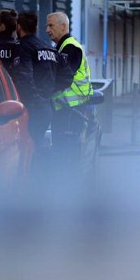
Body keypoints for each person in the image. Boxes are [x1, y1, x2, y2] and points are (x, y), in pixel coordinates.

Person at [45, 11, 91, 168]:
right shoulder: (62, 47)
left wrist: (45, 92)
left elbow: (62, 78)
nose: (47, 30)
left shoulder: (70, 48)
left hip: (72, 112)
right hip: (65, 111)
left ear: (63, 26)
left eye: (51, 25)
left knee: (66, 157)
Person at [14, 11, 57, 148]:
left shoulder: (23, 47)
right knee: (38, 147)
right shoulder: (48, 48)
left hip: (32, 108)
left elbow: (24, 76)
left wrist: (34, 99)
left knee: (28, 148)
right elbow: (65, 75)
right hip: (47, 106)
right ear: (36, 27)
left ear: (18, 27)